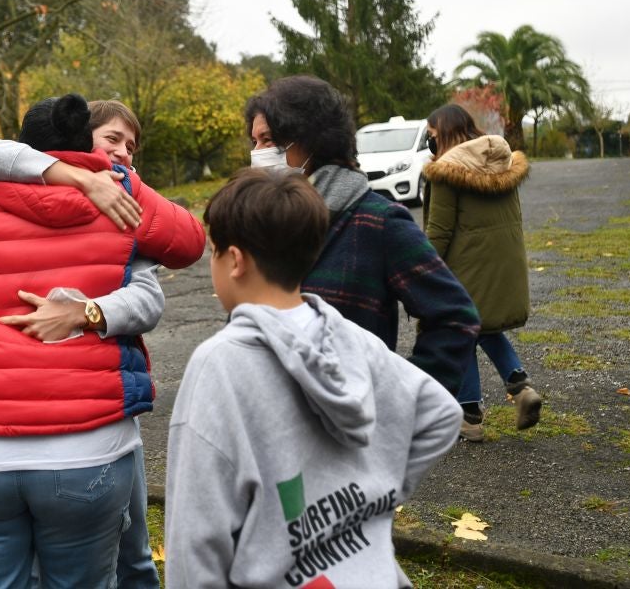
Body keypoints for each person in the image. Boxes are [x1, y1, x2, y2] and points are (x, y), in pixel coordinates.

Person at [0, 94, 205, 588]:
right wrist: (125, 183)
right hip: (86, 451)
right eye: (113, 141)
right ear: (86, 141)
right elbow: (189, 243)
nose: (122, 153)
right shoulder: (121, 197)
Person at [165, 167, 463, 587]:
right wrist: (374, 499)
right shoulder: (345, 334)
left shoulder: (219, 364)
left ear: (235, 260)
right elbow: (441, 414)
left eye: (214, 251)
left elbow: (195, 539)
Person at [244, 75, 481, 397]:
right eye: (254, 142)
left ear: (312, 139)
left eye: (269, 140)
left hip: (347, 434)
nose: (259, 153)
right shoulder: (262, 225)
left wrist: (401, 403)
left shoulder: (378, 221)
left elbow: (454, 316)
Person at [421, 104, 542, 442]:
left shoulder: (448, 171)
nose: (431, 145)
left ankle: (470, 415)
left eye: (432, 137)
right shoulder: (501, 161)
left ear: (444, 134)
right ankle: (519, 385)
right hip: (503, 264)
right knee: (481, 327)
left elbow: (440, 231)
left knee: (463, 329)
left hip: (466, 266)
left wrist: (424, 270)